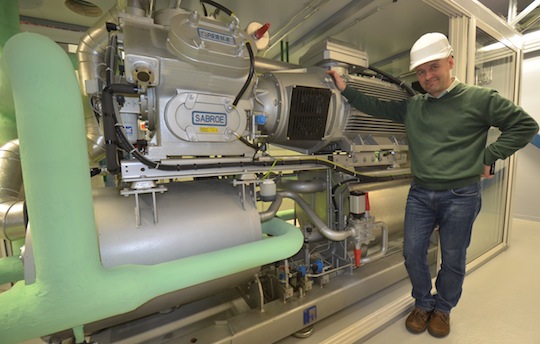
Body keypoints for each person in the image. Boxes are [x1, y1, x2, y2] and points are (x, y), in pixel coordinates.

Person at [327, 32, 539, 338]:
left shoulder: (480, 99)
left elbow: (525, 126)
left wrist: (489, 156)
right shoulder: (414, 106)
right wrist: (345, 89)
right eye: (421, 71)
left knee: (453, 258)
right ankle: (423, 303)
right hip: (421, 194)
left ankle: (443, 310)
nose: (427, 76)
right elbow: (375, 106)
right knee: (413, 253)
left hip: (462, 195)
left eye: (434, 67)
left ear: (450, 62)